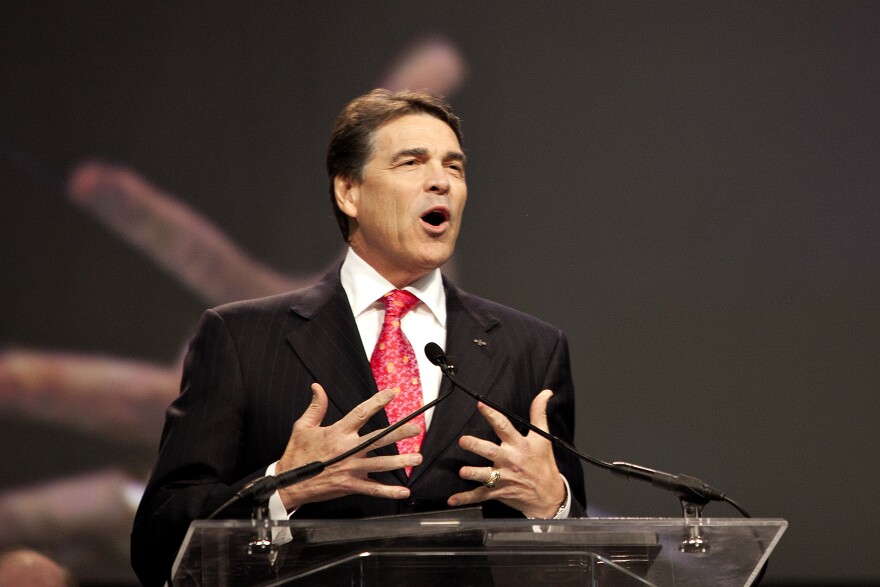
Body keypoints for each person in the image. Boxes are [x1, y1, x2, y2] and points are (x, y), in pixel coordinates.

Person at [131, 89, 585, 587]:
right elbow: (158, 540)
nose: (441, 181)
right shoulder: (241, 338)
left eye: (454, 167)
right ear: (349, 193)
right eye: (411, 163)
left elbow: (582, 562)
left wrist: (553, 505)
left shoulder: (529, 348)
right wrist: (283, 485)